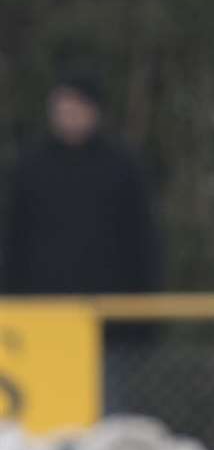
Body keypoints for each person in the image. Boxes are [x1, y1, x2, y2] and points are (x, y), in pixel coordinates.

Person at [1, 72, 161, 297]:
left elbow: (142, 239)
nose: (69, 115)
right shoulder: (29, 167)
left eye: (76, 107)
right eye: (62, 107)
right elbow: (13, 238)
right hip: (42, 304)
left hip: (111, 304)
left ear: (94, 111)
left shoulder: (122, 166)